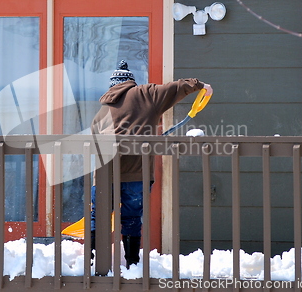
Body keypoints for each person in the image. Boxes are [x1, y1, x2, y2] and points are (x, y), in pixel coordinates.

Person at [90, 60, 213, 268]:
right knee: (131, 218)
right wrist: (200, 85)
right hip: (137, 174)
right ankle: (132, 263)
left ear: (113, 86)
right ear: (130, 82)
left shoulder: (102, 111)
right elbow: (175, 87)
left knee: (99, 215)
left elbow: (94, 144)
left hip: (105, 175)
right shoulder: (145, 94)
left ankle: (93, 260)